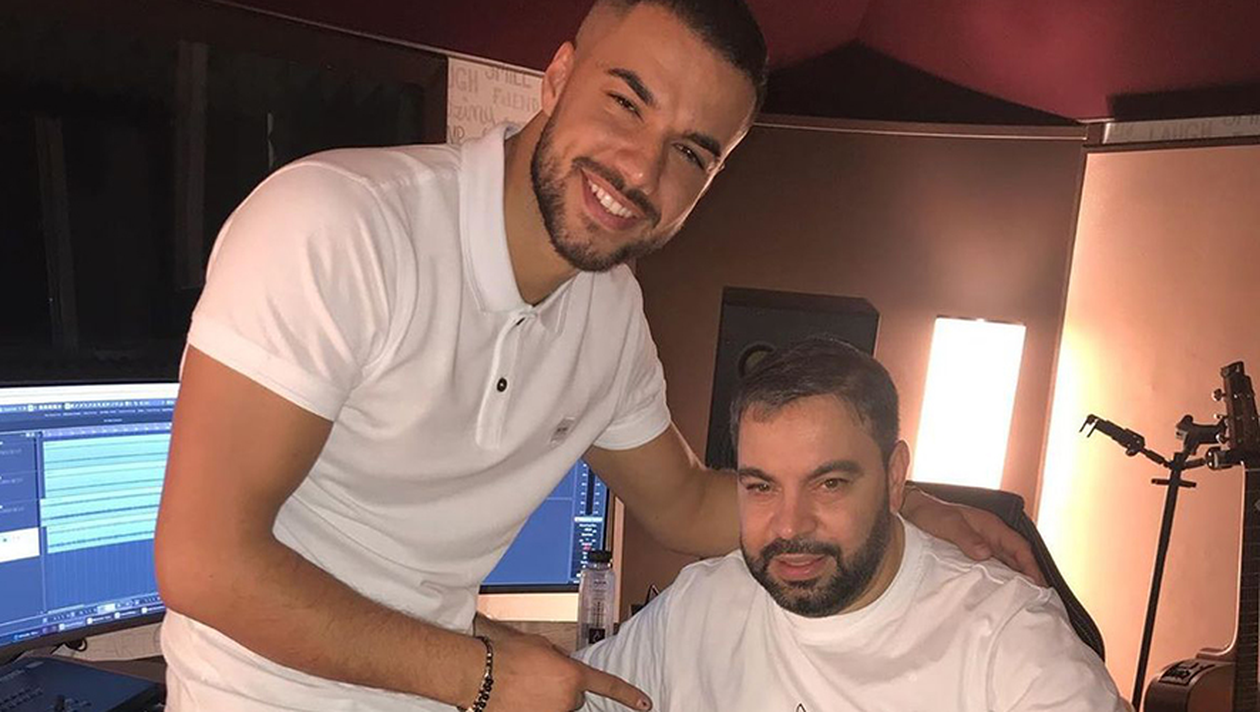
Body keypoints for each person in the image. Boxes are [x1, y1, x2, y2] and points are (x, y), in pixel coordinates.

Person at [153, 1, 1044, 711]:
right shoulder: (334, 227)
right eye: (626, 103)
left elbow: (686, 502)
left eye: (690, 152)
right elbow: (203, 562)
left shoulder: (608, 315)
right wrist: (483, 675)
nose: (640, 169)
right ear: (557, 77)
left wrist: (897, 503)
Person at [575, 336, 1128, 712]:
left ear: (894, 477)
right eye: (761, 486)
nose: (789, 526)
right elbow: (576, 696)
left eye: (830, 483)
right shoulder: (700, 606)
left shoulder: (1007, 638)